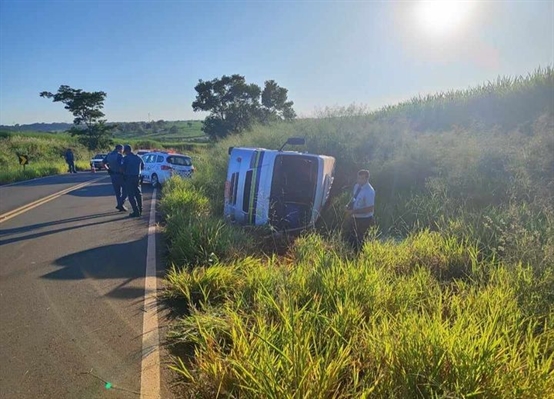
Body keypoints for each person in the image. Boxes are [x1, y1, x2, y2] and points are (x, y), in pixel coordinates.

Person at [345, 169, 375, 251]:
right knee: (350, 238)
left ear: (366, 179)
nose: (359, 180)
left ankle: (358, 258)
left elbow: (370, 208)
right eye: (358, 178)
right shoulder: (356, 186)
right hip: (354, 217)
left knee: (359, 241)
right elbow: (354, 199)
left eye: (362, 178)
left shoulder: (369, 191)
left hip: (364, 219)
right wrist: (349, 206)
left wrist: (354, 211)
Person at [121, 144, 144, 217]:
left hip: (129, 178)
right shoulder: (138, 157)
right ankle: (140, 210)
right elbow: (143, 166)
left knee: (131, 195)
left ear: (126, 150)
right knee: (138, 194)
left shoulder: (125, 158)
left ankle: (136, 211)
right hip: (137, 177)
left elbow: (122, 169)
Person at [103, 144, 127, 212]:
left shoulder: (109, 155)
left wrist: (108, 169)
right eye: (122, 150)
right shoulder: (119, 156)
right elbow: (121, 166)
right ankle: (120, 204)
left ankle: (120, 206)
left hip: (112, 175)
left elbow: (103, 163)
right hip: (120, 175)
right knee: (126, 190)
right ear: (120, 149)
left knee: (117, 192)